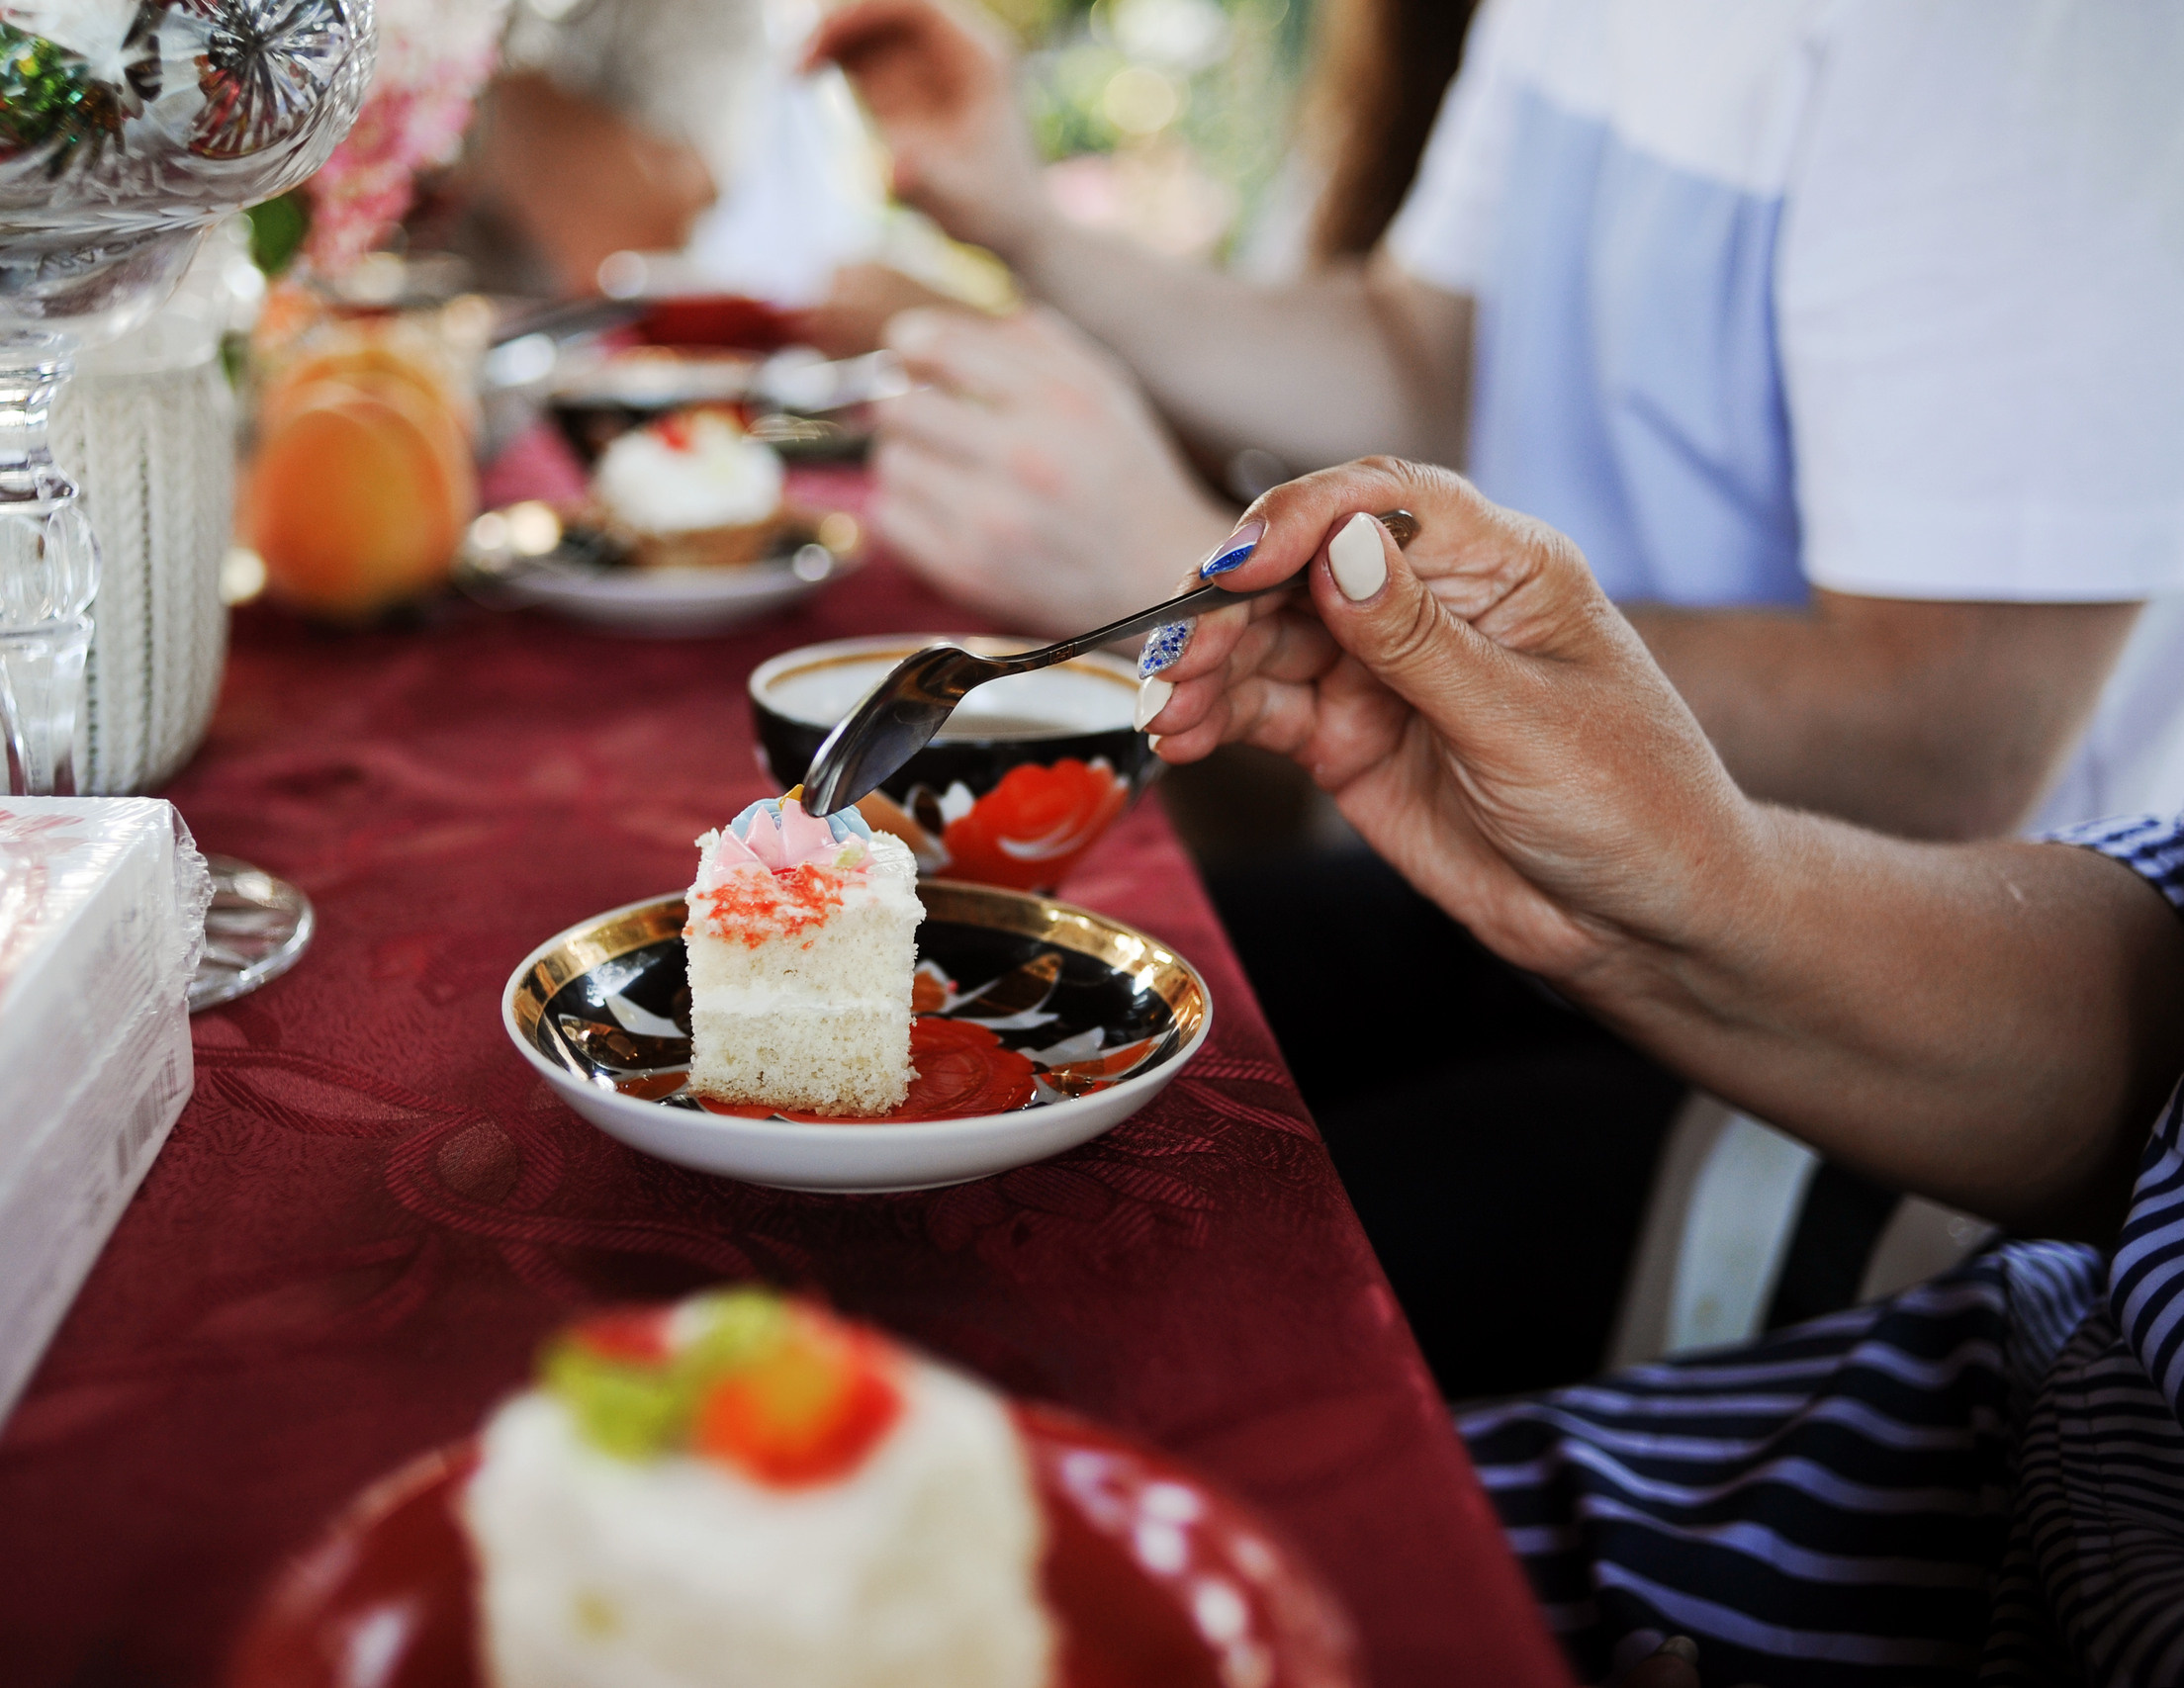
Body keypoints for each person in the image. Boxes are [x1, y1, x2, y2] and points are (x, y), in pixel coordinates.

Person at [811, 0, 2184, 1393]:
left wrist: (1176, 546)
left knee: (1054, 1313)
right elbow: (1424, 351)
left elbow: (1944, 743)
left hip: (1847, 1027)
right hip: (1512, 881)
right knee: (942, 1070)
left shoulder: (2021, 47)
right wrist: (1033, 232)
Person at [1140, 457, 2184, 1686]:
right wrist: (1703, 885)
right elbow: (2142, 1065)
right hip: (1886, 1429)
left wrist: (1142, 528)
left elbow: (1946, 728)